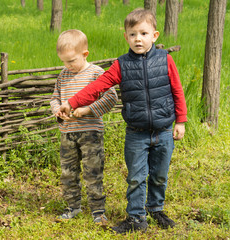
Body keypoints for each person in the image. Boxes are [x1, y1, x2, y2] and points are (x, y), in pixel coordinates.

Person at [59, 9, 187, 233]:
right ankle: (136, 218)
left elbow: (177, 90)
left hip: (164, 129)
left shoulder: (166, 59)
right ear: (126, 37)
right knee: (136, 177)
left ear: (154, 36)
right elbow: (97, 87)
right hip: (136, 133)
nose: (138, 39)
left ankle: (156, 209)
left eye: (144, 33)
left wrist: (180, 121)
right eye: (133, 34)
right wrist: (72, 102)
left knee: (159, 175)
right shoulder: (121, 65)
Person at [50, 29, 118, 224]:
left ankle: (97, 210)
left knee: (93, 171)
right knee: (68, 172)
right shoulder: (63, 76)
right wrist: (58, 111)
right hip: (67, 133)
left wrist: (88, 109)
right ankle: (73, 206)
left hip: (90, 132)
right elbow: (55, 98)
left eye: (71, 61)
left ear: (85, 54)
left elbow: (111, 96)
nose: (67, 65)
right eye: (64, 61)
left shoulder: (96, 73)